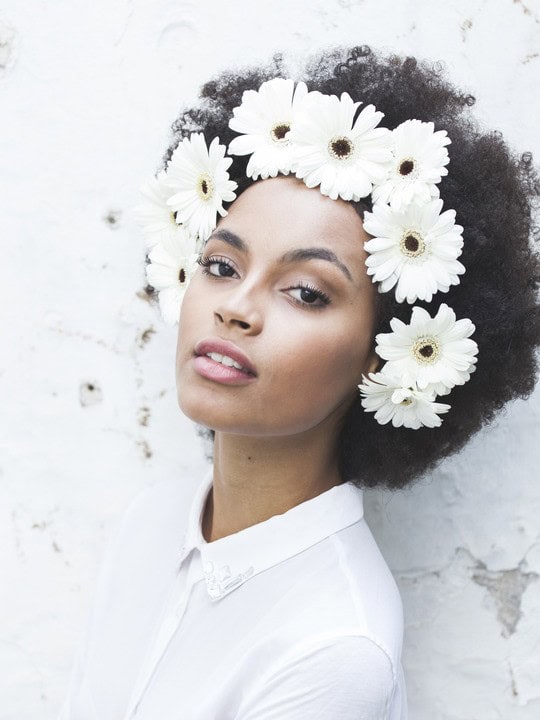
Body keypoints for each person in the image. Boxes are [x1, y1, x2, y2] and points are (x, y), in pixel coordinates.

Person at [58, 45, 540, 719]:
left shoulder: (335, 648)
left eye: (306, 293)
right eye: (223, 265)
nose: (235, 307)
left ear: (388, 352)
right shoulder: (150, 522)